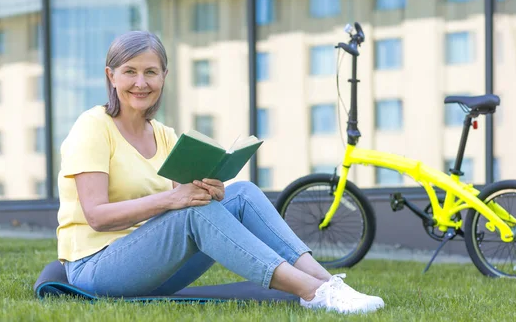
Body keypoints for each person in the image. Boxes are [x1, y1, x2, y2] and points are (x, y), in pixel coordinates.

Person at [56, 31, 385, 314]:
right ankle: (312, 293)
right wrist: (174, 198)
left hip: (150, 265)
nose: (141, 83)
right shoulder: (92, 126)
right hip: (96, 268)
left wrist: (206, 192)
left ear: (164, 77)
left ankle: (329, 284)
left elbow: (183, 205)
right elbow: (97, 216)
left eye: (150, 72)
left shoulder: (163, 135)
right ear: (110, 76)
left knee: (242, 194)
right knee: (191, 215)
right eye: (130, 72)